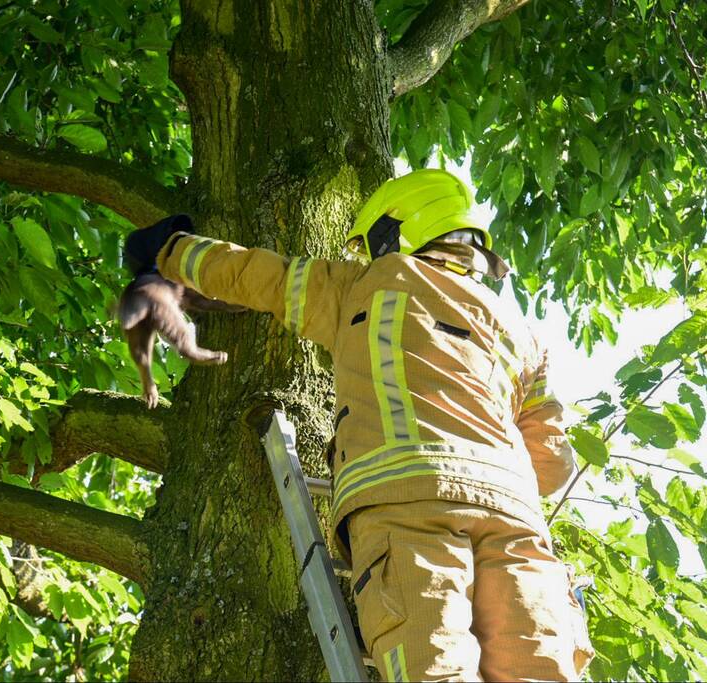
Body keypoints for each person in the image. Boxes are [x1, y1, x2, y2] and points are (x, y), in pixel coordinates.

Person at [125, 170, 594, 682]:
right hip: (516, 523)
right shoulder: (525, 336)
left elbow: (254, 274)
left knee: (434, 668)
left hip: (406, 507)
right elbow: (551, 464)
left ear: (396, 233)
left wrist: (168, 249)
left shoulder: (368, 285)